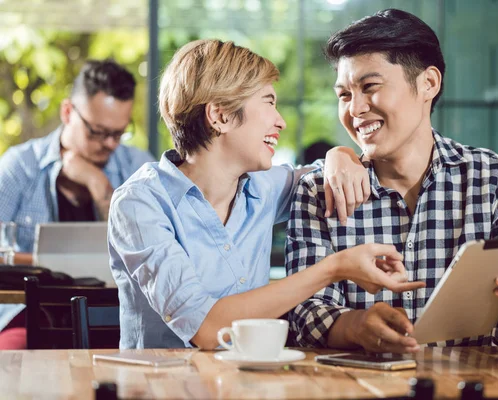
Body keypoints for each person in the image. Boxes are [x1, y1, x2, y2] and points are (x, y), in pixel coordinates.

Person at [107, 39, 424, 349]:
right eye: (269, 102)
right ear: (221, 116)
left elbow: (325, 171)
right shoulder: (139, 204)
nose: (280, 121)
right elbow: (206, 329)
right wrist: (335, 268)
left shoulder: (265, 186)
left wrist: (340, 153)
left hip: (247, 382)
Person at [286, 9, 498, 354]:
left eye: (369, 87)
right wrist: (357, 327)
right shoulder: (319, 190)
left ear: (428, 84)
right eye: (344, 95)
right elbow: (307, 314)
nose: (355, 109)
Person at [0, 59, 154, 349]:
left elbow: (146, 249)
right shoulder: (19, 169)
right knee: (12, 360)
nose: (110, 144)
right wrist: (44, 264)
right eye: (97, 132)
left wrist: (100, 186)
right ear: (68, 112)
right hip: (29, 313)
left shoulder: (138, 166)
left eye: (119, 133)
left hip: (116, 314)